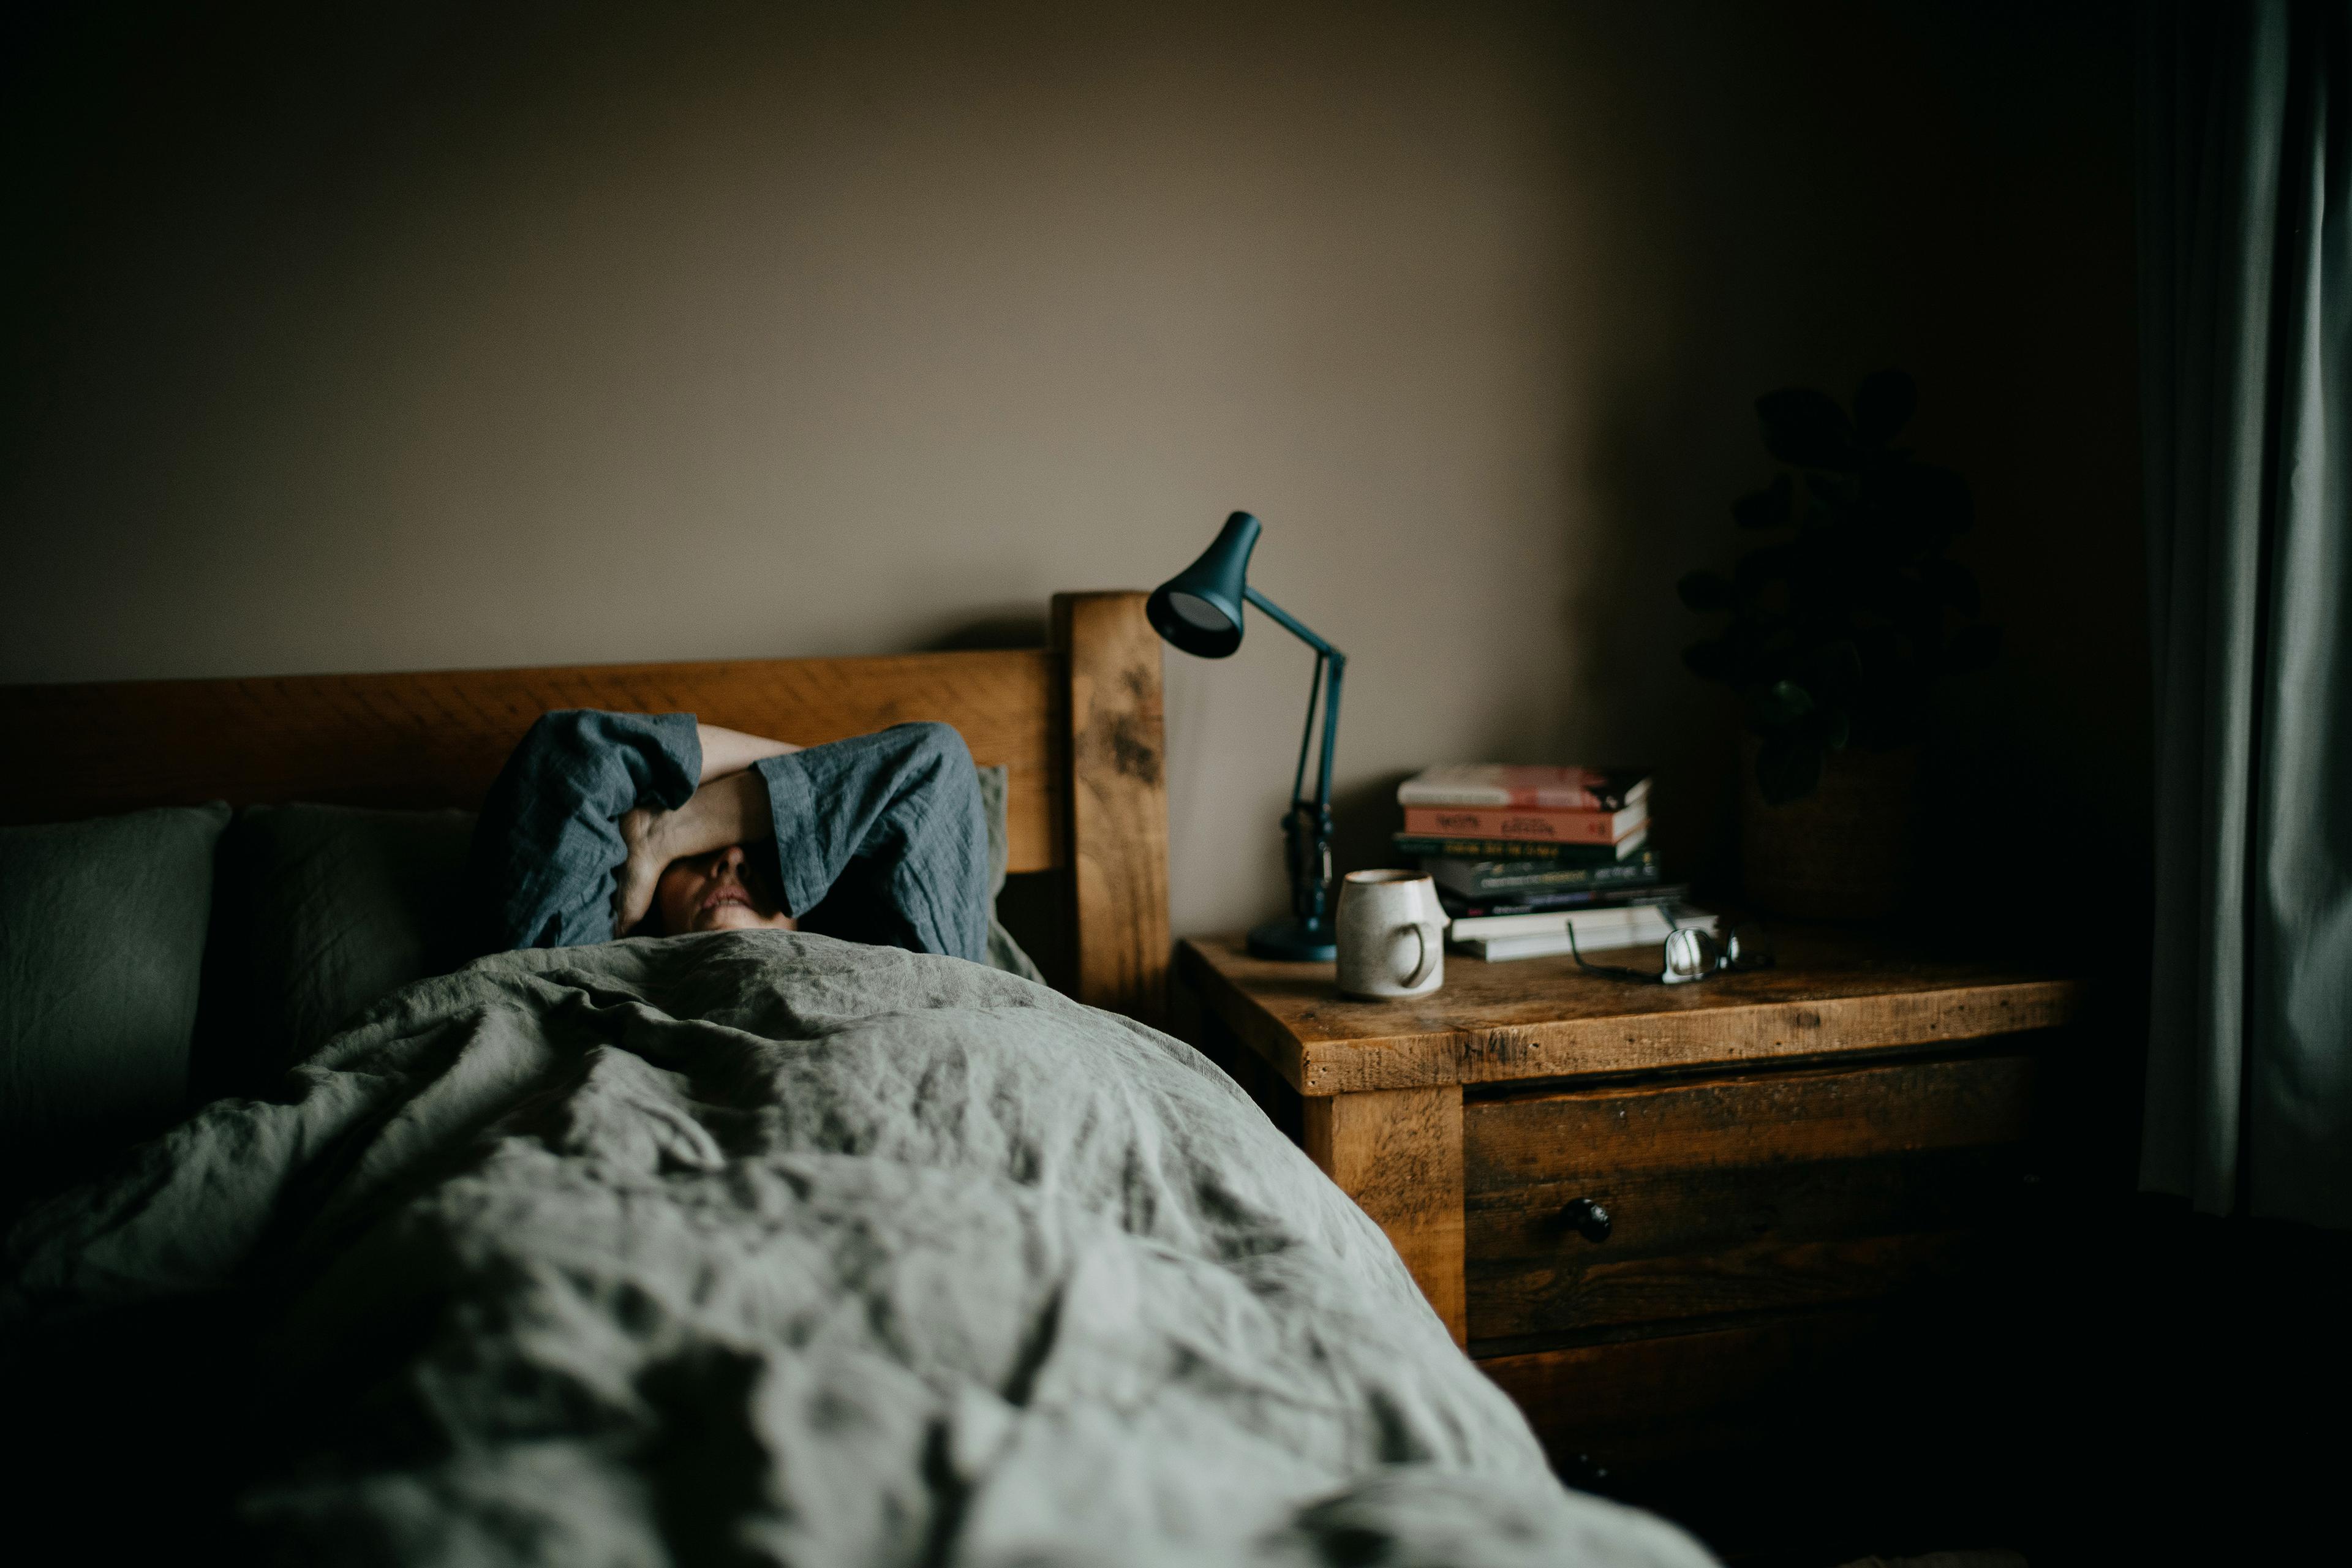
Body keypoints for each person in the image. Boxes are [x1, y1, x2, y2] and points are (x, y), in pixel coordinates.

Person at [470, 711, 990, 962]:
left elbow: (931, 767)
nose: (734, 859)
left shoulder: (903, 972)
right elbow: (573, 754)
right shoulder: (576, 962)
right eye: (701, 850)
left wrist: (672, 833)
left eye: (768, 850)